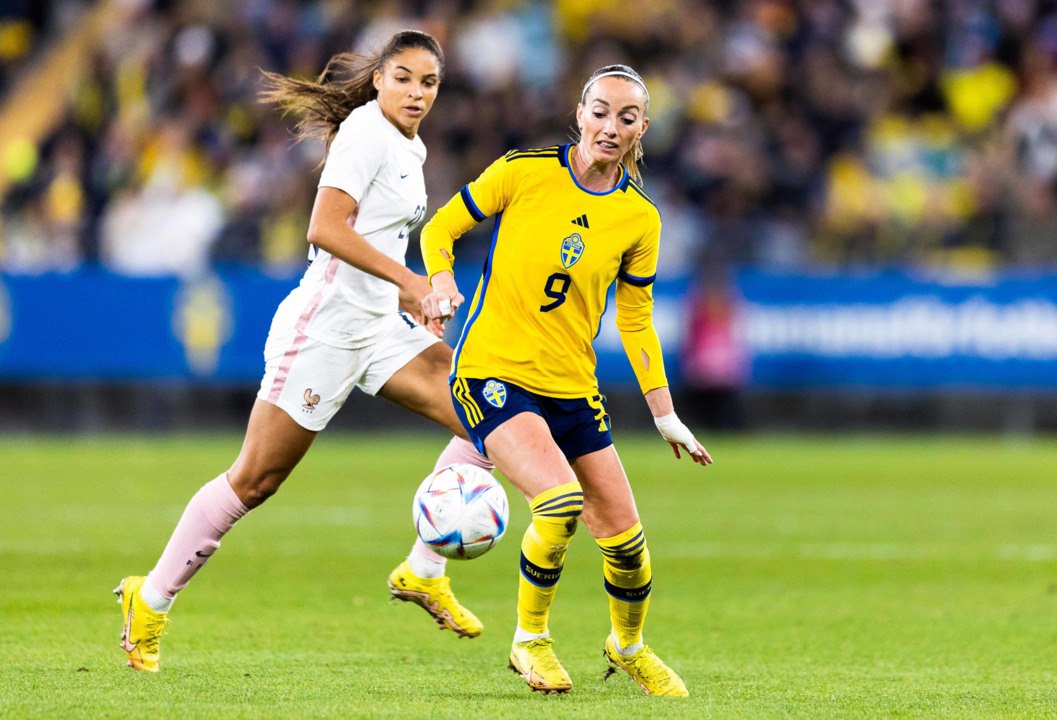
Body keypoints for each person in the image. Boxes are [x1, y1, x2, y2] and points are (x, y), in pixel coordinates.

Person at [114, 30, 494, 673]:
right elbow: (324, 228)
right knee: (256, 480)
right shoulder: (366, 134)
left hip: (379, 328)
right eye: (403, 76)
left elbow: (381, 238)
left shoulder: (411, 144)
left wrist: (410, 304)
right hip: (323, 330)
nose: (416, 92)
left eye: (428, 82)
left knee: (493, 419)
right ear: (378, 78)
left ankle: (424, 568)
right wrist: (410, 282)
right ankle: (148, 601)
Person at [417, 64, 712, 697]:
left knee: (627, 543)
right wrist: (440, 279)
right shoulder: (523, 171)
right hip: (493, 372)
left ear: (643, 129)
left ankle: (627, 646)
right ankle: (531, 643)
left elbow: (636, 323)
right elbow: (439, 228)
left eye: (626, 117)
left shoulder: (639, 218)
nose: (611, 126)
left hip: (573, 388)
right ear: (579, 114)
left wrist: (665, 415)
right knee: (558, 504)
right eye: (600, 111)